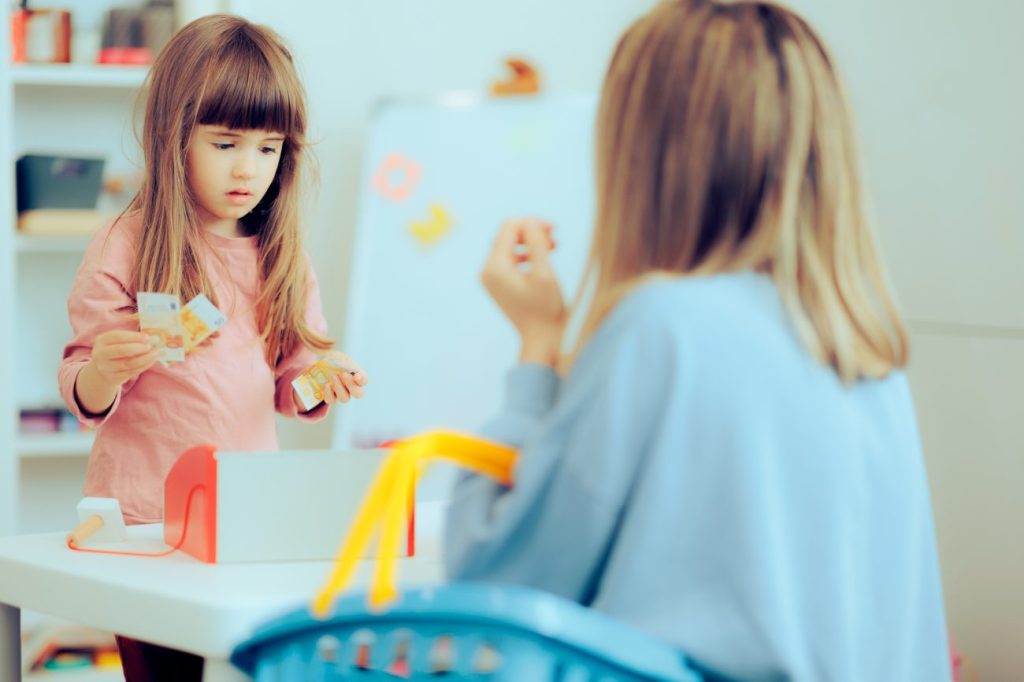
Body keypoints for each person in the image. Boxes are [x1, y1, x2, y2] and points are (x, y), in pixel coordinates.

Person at [444, 1, 951, 680]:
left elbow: (492, 585)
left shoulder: (662, 328)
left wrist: (538, 348)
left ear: (642, 155)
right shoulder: (864, 350)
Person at [58, 15, 366, 681]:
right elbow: (82, 379)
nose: (248, 168)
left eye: (268, 148)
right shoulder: (126, 245)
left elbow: (293, 378)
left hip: (247, 519)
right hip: (145, 523)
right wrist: (104, 372)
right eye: (226, 143)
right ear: (174, 137)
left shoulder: (283, 257)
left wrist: (321, 381)